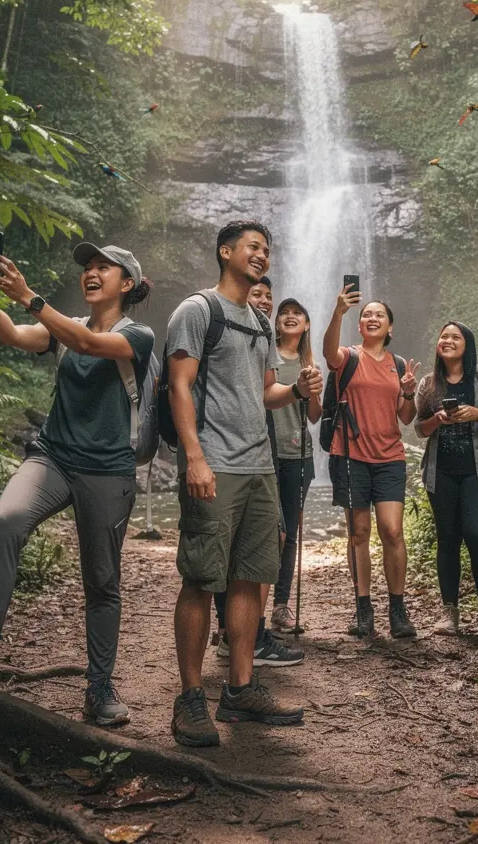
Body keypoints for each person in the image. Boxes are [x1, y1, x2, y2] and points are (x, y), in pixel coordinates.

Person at [0, 243, 155, 727]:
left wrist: (30, 295)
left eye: (104, 268)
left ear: (128, 284)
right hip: (52, 457)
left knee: (101, 581)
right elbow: (13, 334)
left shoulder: (138, 335)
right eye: (87, 268)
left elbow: (90, 344)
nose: (91, 273)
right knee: (4, 524)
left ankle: (99, 688)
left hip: (107, 470)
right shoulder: (61, 327)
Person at [166, 220, 322, 748]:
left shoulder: (258, 322)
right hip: (215, 463)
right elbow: (179, 386)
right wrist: (194, 457)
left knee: (250, 580)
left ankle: (240, 689)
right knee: (200, 578)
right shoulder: (197, 311)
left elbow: (264, 393)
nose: (262, 256)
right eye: (253, 247)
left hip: (260, 468)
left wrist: (298, 390)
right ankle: (189, 700)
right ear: (225, 251)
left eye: (267, 250)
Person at [212, 276, 305, 666]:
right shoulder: (225, 329)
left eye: (270, 295)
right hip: (227, 455)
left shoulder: (264, 339)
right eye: (257, 295)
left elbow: (268, 397)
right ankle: (239, 637)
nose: (265, 301)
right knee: (231, 549)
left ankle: (244, 635)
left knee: (265, 541)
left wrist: (299, 390)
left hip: (262, 456)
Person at [322, 287, 420, 639]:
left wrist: (408, 391)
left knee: (392, 531)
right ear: (360, 324)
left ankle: (398, 607)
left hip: (389, 457)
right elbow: (326, 351)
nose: (372, 317)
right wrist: (338, 312)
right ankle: (363, 608)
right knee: (359, 533)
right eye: (367, 314)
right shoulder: (347, 357)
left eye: (379, 315)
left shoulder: (398, 366)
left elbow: (407, 417)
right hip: (350, 455)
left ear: (390, 327)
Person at [414, 322, 478, 638]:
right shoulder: (428, 384)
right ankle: (449, 611)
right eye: (443, 336)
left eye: (455, 337)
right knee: (448, 539)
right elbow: (420, 429)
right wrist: (436, 419)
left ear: (467, 345)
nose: (448, 341)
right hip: (441, 472)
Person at [270, 297, 322, 631]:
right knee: (268, 532)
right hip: (263, 453)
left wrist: (312, 388)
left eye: (297, 314)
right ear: (276, 323)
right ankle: (245, 608)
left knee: (289, 532)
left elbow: (315, 416)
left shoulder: (311, 363)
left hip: (298, 454)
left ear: (305, 325)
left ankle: (280, 605)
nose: (290, 317)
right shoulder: (266, 356)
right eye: (285, 313)